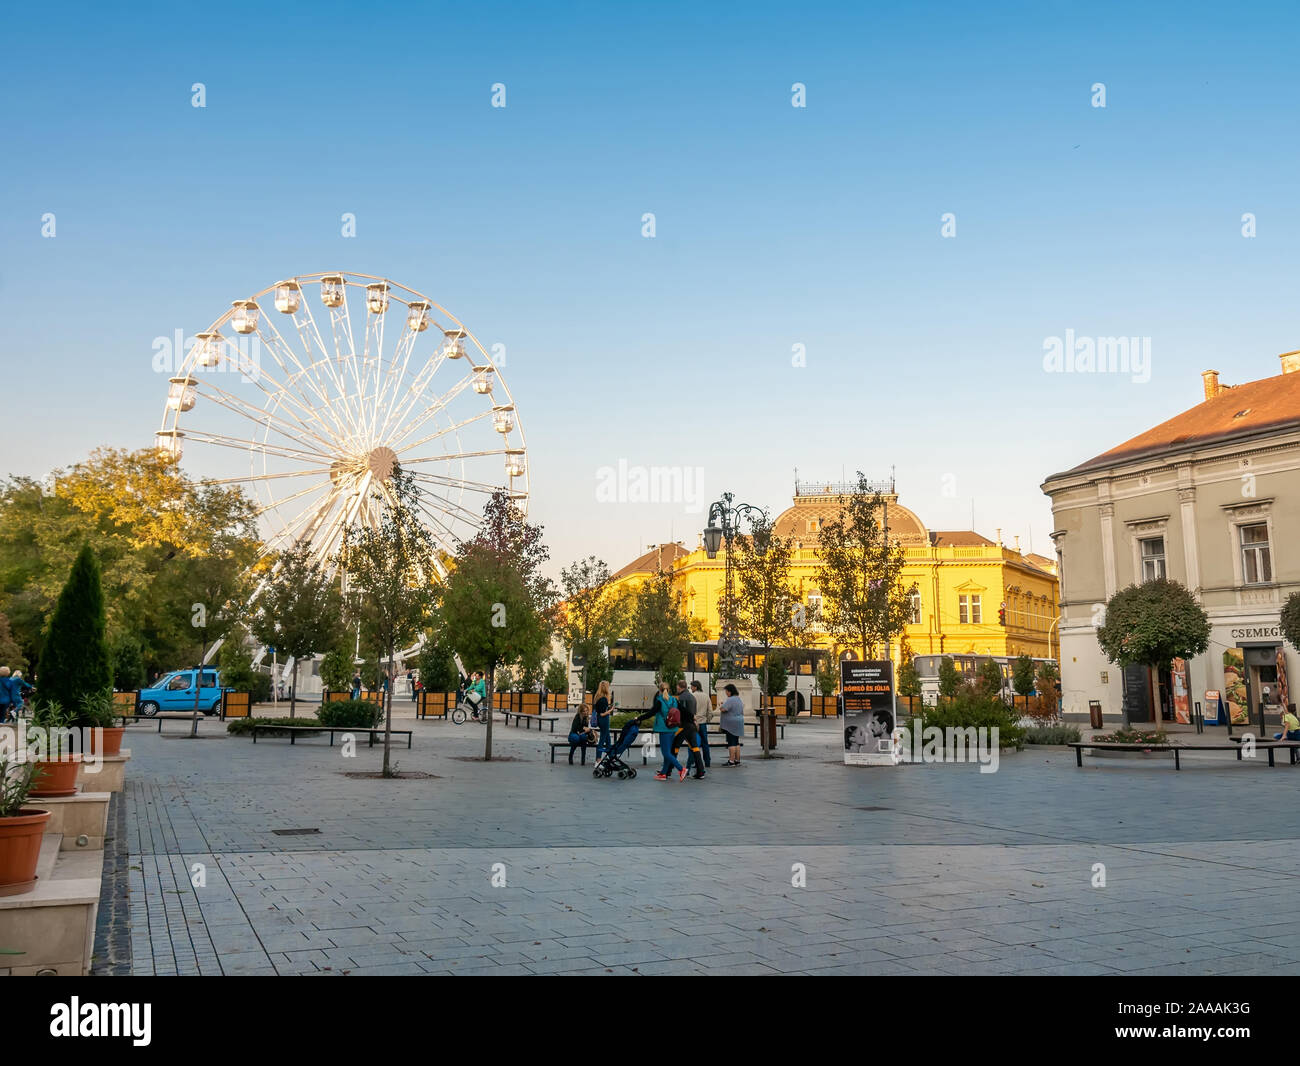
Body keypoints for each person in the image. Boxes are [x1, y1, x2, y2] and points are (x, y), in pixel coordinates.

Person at [652, 681, 685, 781]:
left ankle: (681, 769)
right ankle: (663, 773)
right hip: (673, 728)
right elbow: (682, 710)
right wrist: (692, 718)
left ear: (660, 690)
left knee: (666, 753)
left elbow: (651, 712)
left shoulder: (659, 701)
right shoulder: (674, 700)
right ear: (669, 689)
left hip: (664, 728)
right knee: (668, 752)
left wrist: (638, 718)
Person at [672, 679, 706, 779]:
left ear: (679, 687)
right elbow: (693, 713)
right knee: (695, 748)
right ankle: (701, 771)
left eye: (677, 687)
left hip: (682, 726)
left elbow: (678, 713)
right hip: (692, 726)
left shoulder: (680, 698)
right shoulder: (692, 697)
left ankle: (668, 770)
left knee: (674, 747)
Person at [719, 683, 745, 766]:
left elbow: (723, 709)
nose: (726, 693)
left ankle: (731, 761)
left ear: (730, 691)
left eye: (726, 691)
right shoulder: (738, 699)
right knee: (736, 742)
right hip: (738, 722)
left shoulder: (730, 699)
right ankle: (737, 760)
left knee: (731, 742)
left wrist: (721, 705)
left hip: (730, 724)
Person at [691, 679, 712, 769]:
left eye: (692, 686)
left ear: (695, 687)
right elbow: (710, 711)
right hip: (703, 722)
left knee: (694, 744)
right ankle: (707, 762)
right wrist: (707, 719)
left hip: (694, 722)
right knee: (705, 743)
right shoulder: (706, 696)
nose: (691, 688)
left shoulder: (692, 696)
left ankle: (696, 762)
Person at [592, 680, 614, 759]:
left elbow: (598, 711)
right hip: (604, 720)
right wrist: (611, 710)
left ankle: (610, 756)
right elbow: (602, 713)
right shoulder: (604, 699)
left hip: (599, 720)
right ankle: (598, 758)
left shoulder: (597, 697)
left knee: (608, 739)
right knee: (602, 739)